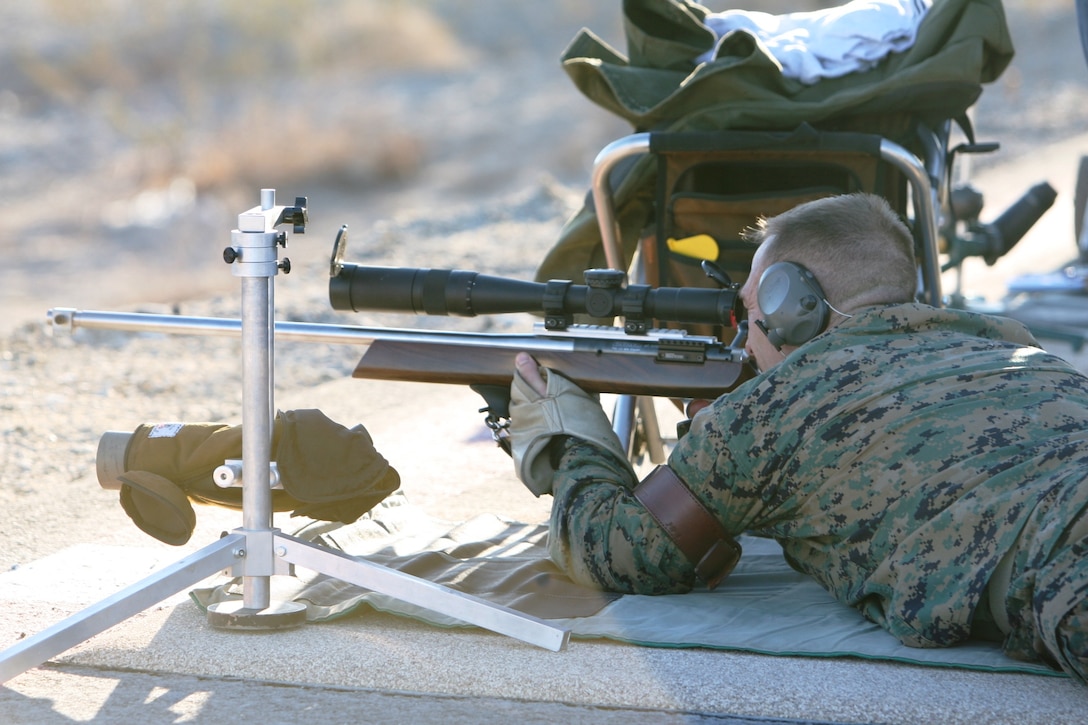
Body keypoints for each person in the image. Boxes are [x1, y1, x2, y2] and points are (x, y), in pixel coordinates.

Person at [508, 192, 1088, 684]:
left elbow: (616, 552)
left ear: (793, 304)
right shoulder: (1018, 349)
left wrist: (568, 438)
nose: (745, 337)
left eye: (750, 308)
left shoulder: (776, 404)